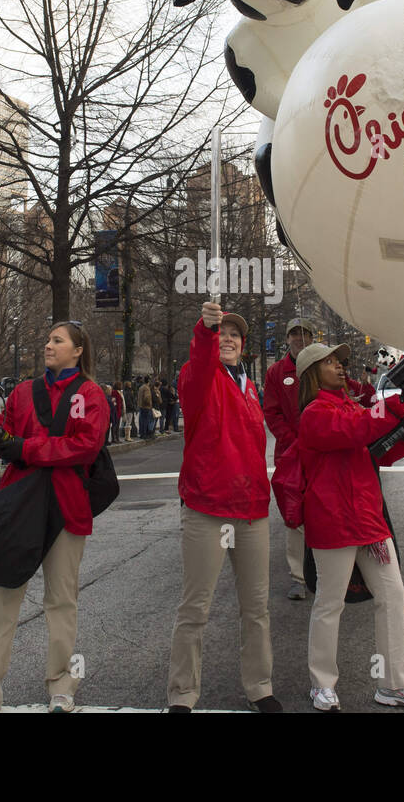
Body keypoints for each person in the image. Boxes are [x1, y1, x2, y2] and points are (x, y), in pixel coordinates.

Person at [0, 321, 109, 714]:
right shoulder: (24, 392)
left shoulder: (92, 394)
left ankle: (61, 684)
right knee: (3, 598)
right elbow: (1, 439)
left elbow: (84, 447)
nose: (48, 345)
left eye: (57, 340)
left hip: (66, 507)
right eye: (47, 339)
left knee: (61, 600)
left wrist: (26, 448)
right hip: (20, 504)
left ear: (78, 350)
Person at [296, 341, 404, 712]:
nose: (340, 367)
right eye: (329, 363)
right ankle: (322, 685)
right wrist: (393, 405)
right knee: (329, 603)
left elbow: (379, 451)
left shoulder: (351, 407)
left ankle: (394, 685)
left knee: (392, 597)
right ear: (312, 374)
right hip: (333, 522)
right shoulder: (314, 414)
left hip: (369, 521)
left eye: (340, 362)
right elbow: (355, 429)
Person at [168, 302, 279, 712]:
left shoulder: (250, 388)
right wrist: (204, 329)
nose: (228, 338)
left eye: (235, 334)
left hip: (251, 511)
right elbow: (200, 358)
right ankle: (182, 694)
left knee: (257, 609)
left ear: (244, 346)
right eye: (223, 332)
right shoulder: (199, 378)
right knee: (195, 608)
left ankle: (260, 687)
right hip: (207, 508)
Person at [263, 316, 317, 601]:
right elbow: (271, 414)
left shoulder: (322, 366)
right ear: (286, 339)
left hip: (322, 455)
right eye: (294, 334)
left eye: (305, 334)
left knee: (324, 513)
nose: (300, 338)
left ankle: (327, 572)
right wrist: (294, 442)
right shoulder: (276, 373)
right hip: (291, 456)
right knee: (295, 517)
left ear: (313, 337)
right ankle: (298, 576)